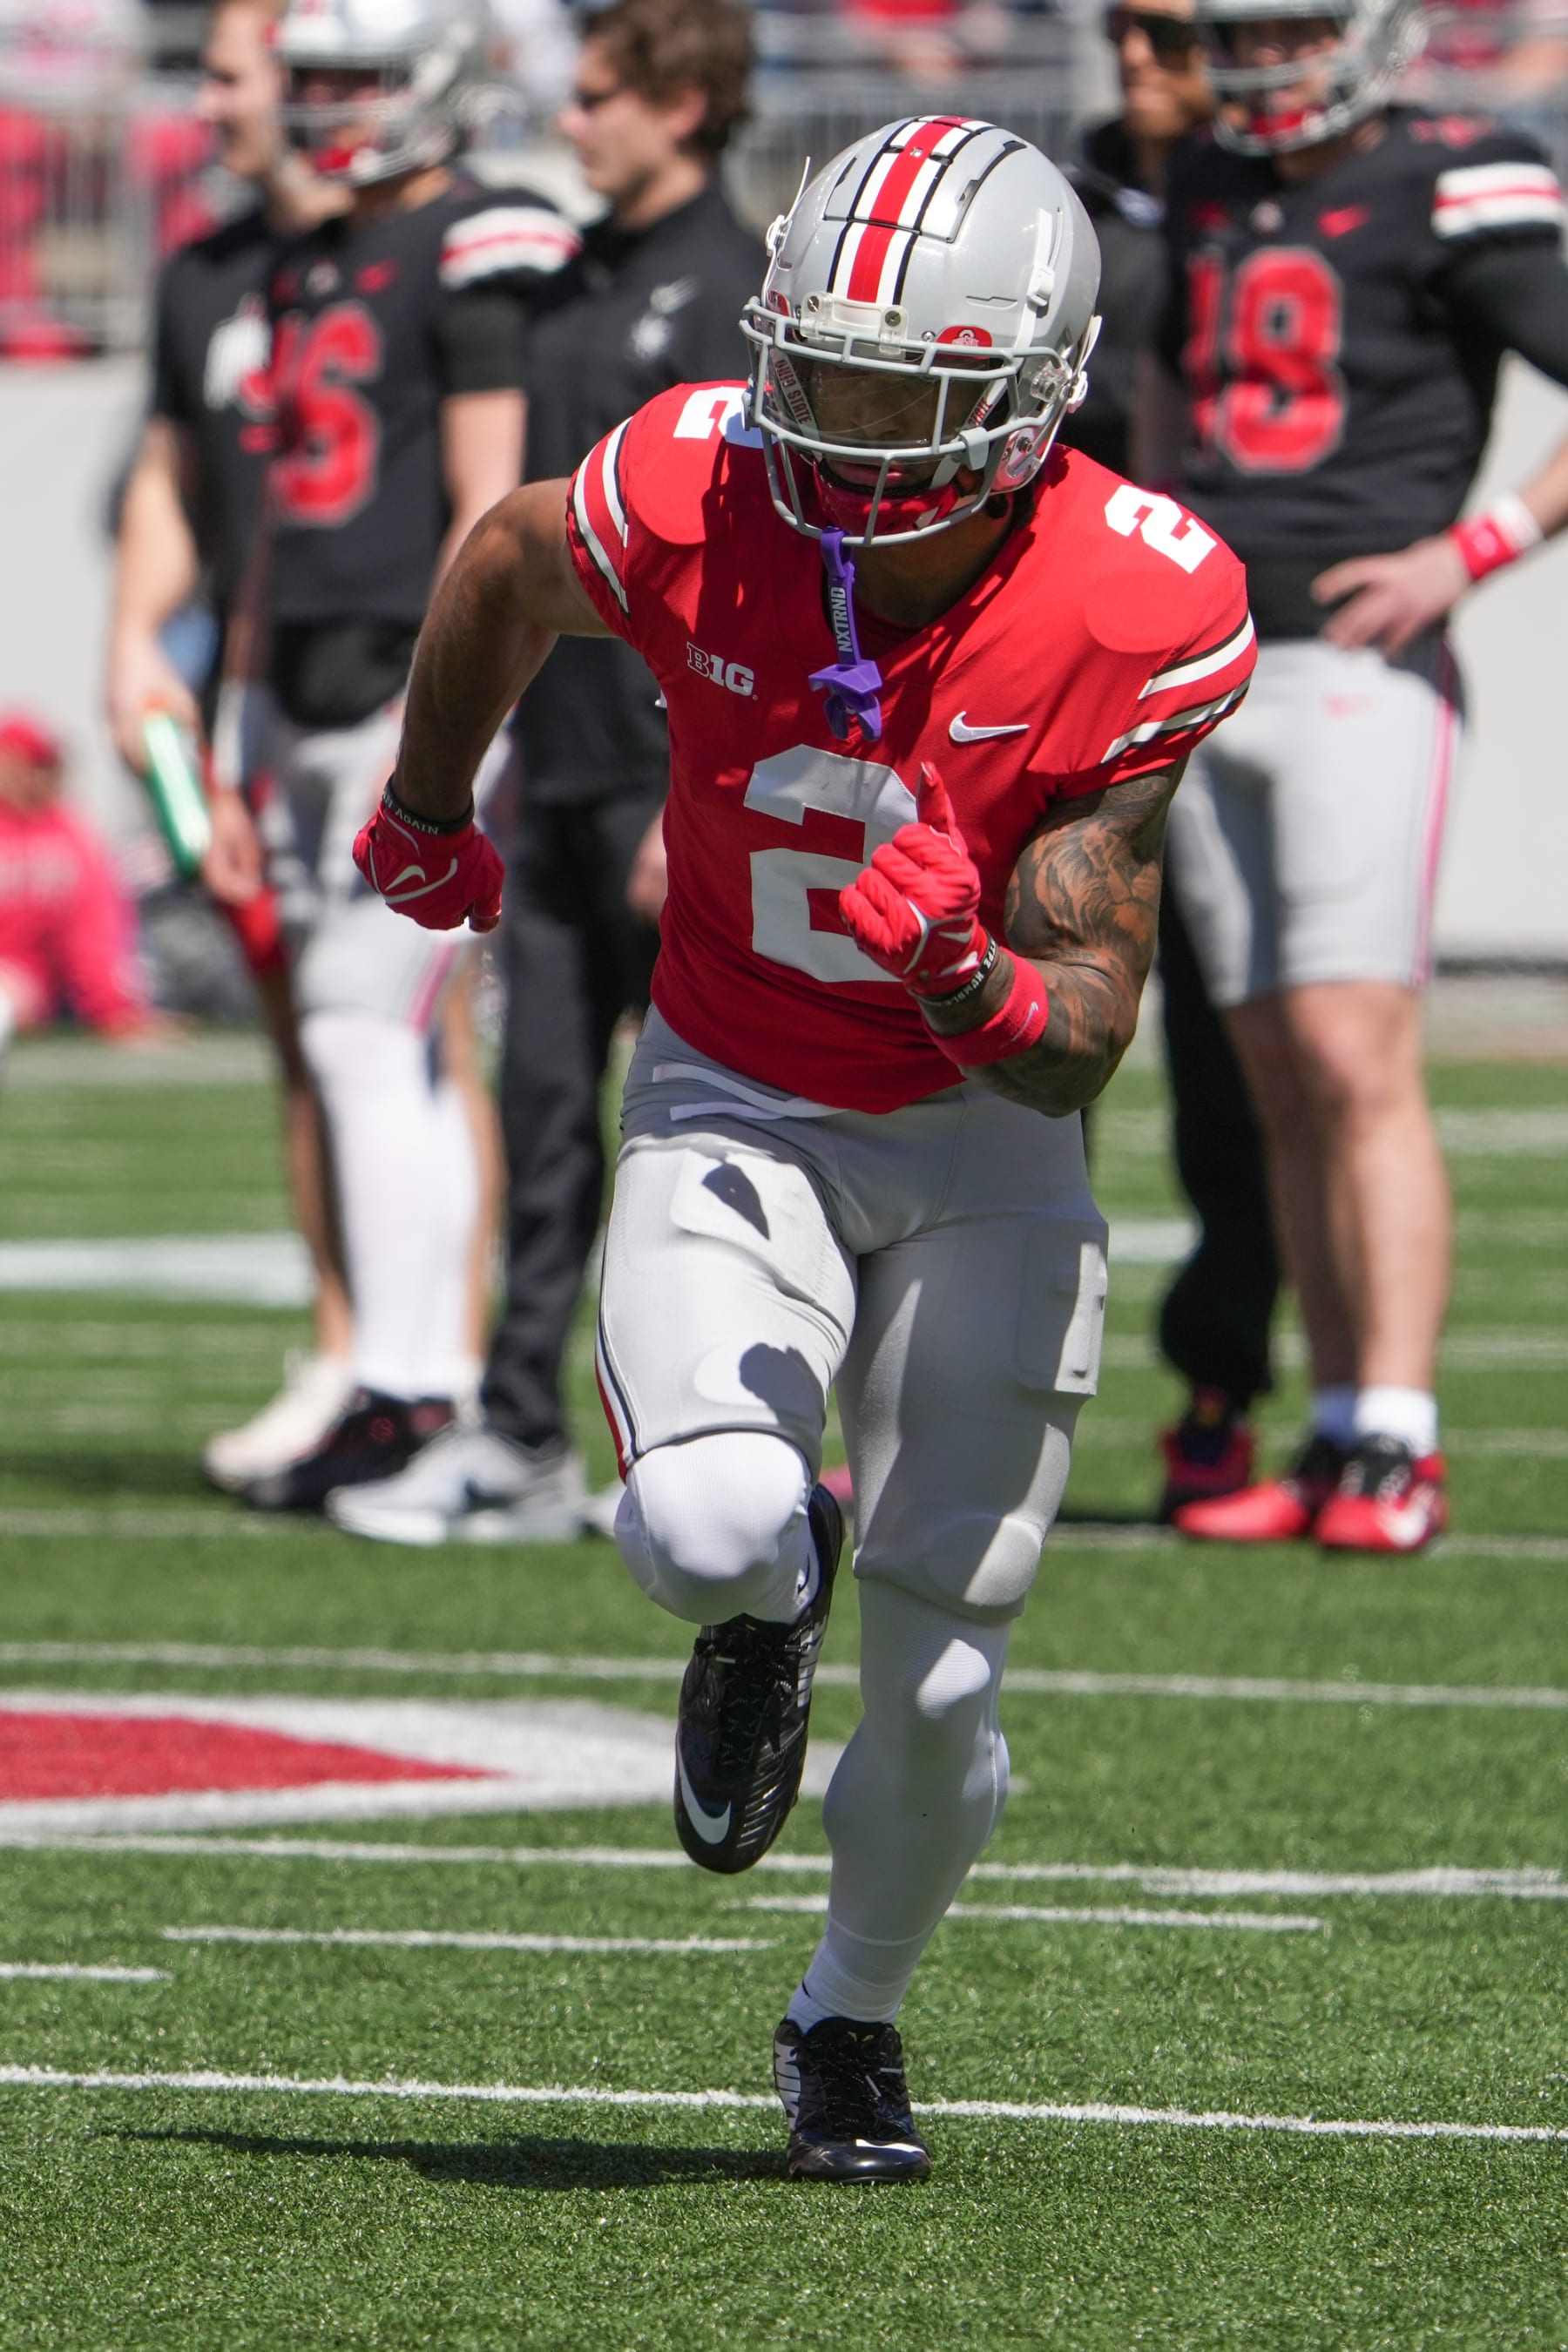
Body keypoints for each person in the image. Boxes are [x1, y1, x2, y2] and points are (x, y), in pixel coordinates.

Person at [355, 118, 1257, 2180]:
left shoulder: (1140, 605)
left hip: (970, 1137)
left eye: (901, 395)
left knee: (948, 1668)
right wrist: (429, 800)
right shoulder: (699, 479)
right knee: (703, 1525)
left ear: (1028, 406)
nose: (840, 434)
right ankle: (771, 1593)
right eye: (820, 371)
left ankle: (847, 2012)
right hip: (736, 1088)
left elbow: (1077, 1046)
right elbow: (506, 556)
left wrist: (962, 969)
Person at [328, 0, 762, 1546]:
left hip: (681, 785)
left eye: (598, 99)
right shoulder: (570, 278)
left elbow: (746, 572)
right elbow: (534, 551)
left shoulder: (740, 290)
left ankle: (734, 1453)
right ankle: (522, 1439)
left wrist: (696, 781)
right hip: (562, 768)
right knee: (549, 1113)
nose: (571, 124)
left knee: (721, 1140)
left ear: (687, 101)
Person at [1139, 0, 1568, 1551]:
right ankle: (1330, 1431)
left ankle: (1399, 1428)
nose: (1264, 61)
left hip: (1359, 672)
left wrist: (1470, 553)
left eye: (1300, 29)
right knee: (1270, 1077)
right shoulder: (1201, 184)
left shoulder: (1456, 174)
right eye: (1244, 32)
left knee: (1350, 1053)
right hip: (1217, 665)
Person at [203, 0, 578, 1510]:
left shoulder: (481, 241)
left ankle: (409, 1383)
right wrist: (238, 708)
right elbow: (275, 513)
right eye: (319, 83)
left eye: (359, 80)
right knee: (365, 1040)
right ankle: (402, 1381)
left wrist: (448, 723)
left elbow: (489, 520)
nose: (330, 109)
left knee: (370, 1031)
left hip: (405, 700)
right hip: (299, 677)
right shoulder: (303, 253)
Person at [105, 0, 367, 1492]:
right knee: (300, 1026)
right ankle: (346, 1340)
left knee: (400, 1034)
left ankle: (424, 1350)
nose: (206, 104)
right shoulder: (207, 276)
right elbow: (166, 473)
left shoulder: (392, 260)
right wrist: (134, 640)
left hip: (377, 681)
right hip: (255, 689)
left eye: (228, 76)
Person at [1064, 0, 1281, 1518]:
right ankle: (944, 1376)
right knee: (1004, 1035)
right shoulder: (1055, 204)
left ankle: (1222, 1385)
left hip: (1221, 672)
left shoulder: (1273, 206)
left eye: (1176, 35)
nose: (1144, 60)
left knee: (1230, 1060)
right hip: (1054, 674)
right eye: (1126, 29)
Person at [0, 712, 153, 1052]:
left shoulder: (70, 835)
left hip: (41, 1004)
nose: (44, 774)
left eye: (48, 764)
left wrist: (115, 1012)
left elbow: (94, 936)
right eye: (34, 763)